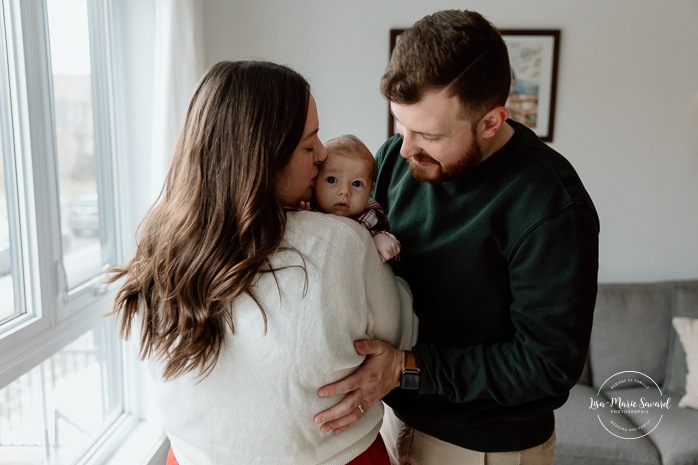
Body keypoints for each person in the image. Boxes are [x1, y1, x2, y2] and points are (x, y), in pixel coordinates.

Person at [313, 10, 600, 465]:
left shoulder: (551, 206)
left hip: (483, 446)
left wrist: (404, 367)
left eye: (428, 134)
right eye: (399, 125)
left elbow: (546, 367)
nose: (404, 148)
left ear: (491, 121)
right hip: (389, 416)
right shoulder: (395, 157)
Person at [108, 60, 417, 465]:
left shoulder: (158, 245)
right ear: (266, 157)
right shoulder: (342, 242)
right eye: (310, 144)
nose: (323, 155)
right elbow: (402, 331)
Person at [314, 134, 400, 263]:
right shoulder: (307, 207)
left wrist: (379, 238)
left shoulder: (371, 215)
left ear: (371, 190)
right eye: (332, 180)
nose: (345, 191)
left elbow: (392, 253)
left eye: (356, 184)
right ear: (314, 181)